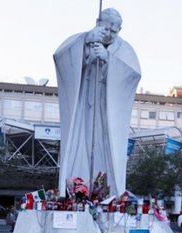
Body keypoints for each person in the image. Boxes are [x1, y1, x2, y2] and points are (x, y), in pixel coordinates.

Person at [54, 8, 141, 198]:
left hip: (107, 110)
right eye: (105, 28)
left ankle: (106, 194)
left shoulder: (124, 49)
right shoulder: (83, 39)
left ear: (120, 30)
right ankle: (75, 190)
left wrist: (109, 59)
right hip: (84, 106)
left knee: (106, 145)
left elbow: (133, 75)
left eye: (114, 31)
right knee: (80, 143)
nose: (109, 34)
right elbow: (60, 57)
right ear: (97, 22)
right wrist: (86, 47)